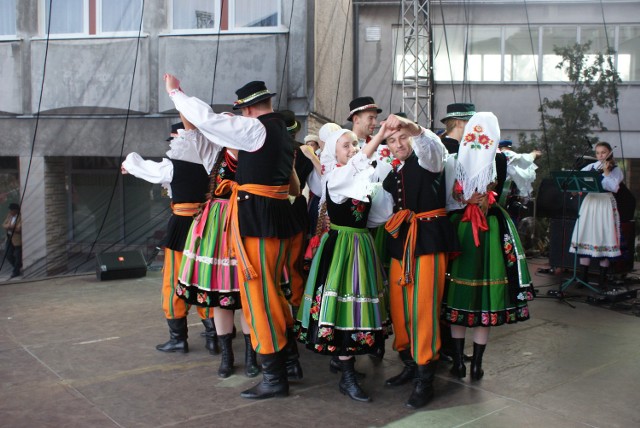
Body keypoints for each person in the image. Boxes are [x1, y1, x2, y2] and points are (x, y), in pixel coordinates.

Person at [165, 74, 303, 399]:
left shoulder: (256, 129)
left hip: (257, 224)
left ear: (249, 109)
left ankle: (274, 377)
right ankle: (284, 364)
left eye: (241, 112)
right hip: (275, 220)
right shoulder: (281, 131)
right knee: (272, 295)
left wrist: (176, 93)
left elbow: (205, 119)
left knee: (260, 299)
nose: (239, 118)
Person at [296, 127, 392, 402]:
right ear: (335, 154)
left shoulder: (359, 178)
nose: (352, 149)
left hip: (362, 245)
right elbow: (359, 163)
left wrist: (378, 182)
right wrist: (381, 133)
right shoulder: (336, 176)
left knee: (355, 306)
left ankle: (344, 364)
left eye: (354, 144)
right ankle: (347, 376)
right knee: (342, 307)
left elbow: (379, 216)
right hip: (342, 248)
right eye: (346, 146)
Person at [442, 112, 533, 384]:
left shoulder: (456, 159)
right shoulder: (500, 158)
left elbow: (450, 196)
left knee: (458, 293)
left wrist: (463, 198)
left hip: (463, 225)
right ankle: (475, 365)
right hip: (490, 227)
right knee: (485, 298)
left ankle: (459, 362)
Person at [380, 114, 458, 409]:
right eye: (392, 140)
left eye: (403, 138)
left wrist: (414, 129)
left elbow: (431, 147)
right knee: (400, 307)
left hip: (428, 240)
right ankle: (410, 361)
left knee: (423, 307)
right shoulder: (394, 171)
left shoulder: (428, 159)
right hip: (402, 240)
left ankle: (426, 374)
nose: (399, 144)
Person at [121, 119, 217, 355]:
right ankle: (214, 336)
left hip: (182, 224)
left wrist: (129, 165)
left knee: (174, 279)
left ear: (181, 140)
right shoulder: (210, 163)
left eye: (174, 139)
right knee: (206, 277)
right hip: (207, 224)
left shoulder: (173, 167)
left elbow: (143, 166)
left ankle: (178, 338)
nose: (172, 144)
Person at [174, 121, 259, 379]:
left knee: (246, 296)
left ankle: (251, 356)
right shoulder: (214, 152)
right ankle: (227, 356)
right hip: (219, 228)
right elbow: (192, 125)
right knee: (221, 295)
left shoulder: (254, 150)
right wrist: (177, 95)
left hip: (245, 221)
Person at [570, 142, 623, 291]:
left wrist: (606, 173)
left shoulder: (615, 169)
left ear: (609, 153)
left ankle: (602, 279)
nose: (600, 155)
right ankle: (583, 276)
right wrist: (576, 187)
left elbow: (614, 187)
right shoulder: (591, 167)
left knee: (603, 236)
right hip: (590, 202)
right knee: (585, 234)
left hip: (605, 203)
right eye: (598, 153)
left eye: (603, 152)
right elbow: (580, 178)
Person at [498, 139, 542, 222]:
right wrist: (534, 154)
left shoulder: (497, 155)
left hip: (500, 197)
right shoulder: (507, 154)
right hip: (505, 198)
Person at [3, 203, 22, 279]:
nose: (10, 212)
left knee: (18, 255)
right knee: (8, 255)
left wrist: (10, 227)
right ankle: (18, 267)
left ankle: (16, 271)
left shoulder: (20, 217)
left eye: (11, 210)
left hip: (17, 239)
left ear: (16, 210)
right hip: (9, 238)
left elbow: (18, 229)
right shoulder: (9, 216)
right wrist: (10, 226)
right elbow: (4, 224)